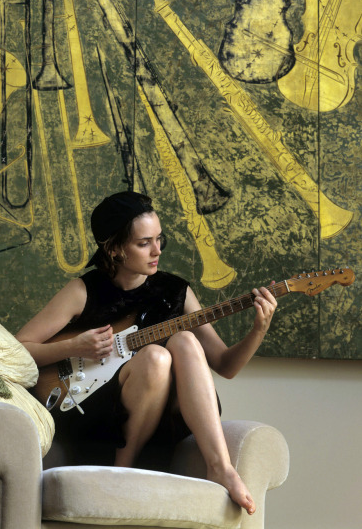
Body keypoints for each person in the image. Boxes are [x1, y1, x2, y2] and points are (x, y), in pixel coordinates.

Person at [16, 191, 277, 516]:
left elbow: (225, 365)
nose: (157, 251)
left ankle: (221, 466)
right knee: (157, 358)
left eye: (159, 239)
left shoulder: (174, 291)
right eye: (144, 243)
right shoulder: (83, 291)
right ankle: (124, 468)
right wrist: (74, 346)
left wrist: (259, 329)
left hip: (163, 417)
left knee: (182, 341)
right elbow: (19, 349)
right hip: (93, 415)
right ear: (114, 248)